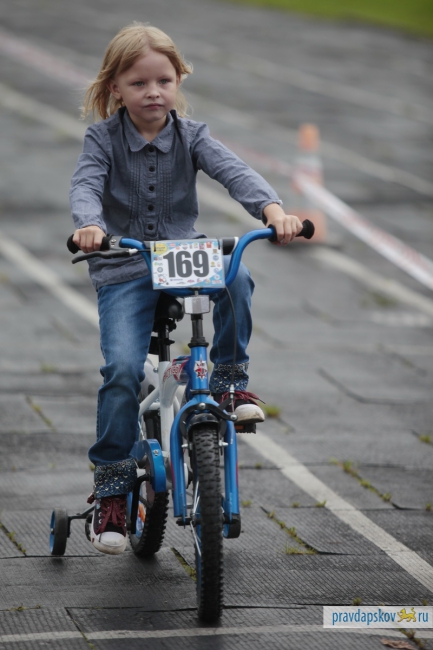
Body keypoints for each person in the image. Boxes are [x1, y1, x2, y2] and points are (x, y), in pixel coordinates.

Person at [70, 22, 302, 555]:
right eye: (139, 83)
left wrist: (273, 211)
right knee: (122, 370)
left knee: (236, 274)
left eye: (164, 81)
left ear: (179, 81)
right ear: (115, 89)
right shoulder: (102, 140)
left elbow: (234, 171)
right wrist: (90, 224)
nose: (153, 92)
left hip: (183, 255)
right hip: (125, 264)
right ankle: (112, 487)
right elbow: (85, 184)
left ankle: (228, 381)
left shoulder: (192, 136)